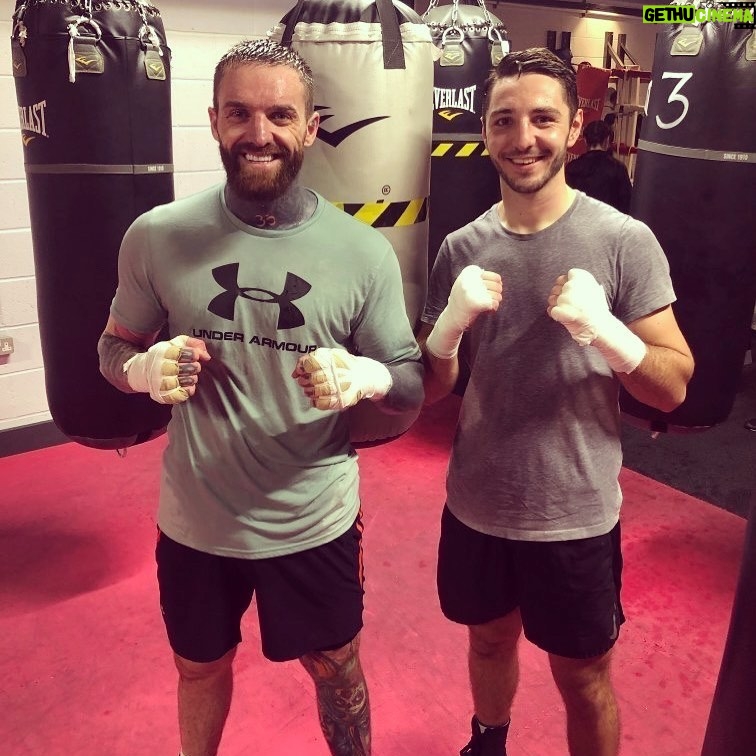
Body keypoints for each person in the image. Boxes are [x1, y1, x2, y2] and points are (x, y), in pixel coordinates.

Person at [97, 39, 423, 756]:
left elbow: (409, 380)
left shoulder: (362, 252)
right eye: (240, 113)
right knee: (198, 666)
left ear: (311, 126)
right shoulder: (157, 236)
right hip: (195, 518)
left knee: (335, 667)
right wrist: (144, 370)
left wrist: (364, 377)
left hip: (312, 520)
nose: (259, 133)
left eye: (281, 114)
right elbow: (111, 348)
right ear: (214, 121)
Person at [417, 48, 694, 756]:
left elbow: (673, 383)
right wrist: (447, 327)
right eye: (504, 121)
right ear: (484, 132)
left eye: (543, 118)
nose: (523, 138)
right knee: (486, 641)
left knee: (584, 675)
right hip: (477, 499)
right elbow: (431, 389)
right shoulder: (461, 246)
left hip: (573, 509)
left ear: (575, 129)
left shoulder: (624, 242)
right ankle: (488, 740)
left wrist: (609, 335)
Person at [565, 118, 633, 214]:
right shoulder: (618, 168)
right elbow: (627, 205)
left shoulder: (571, 167)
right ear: (607, 140)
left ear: (585, 140)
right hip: (609, 225)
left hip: (577, 225)